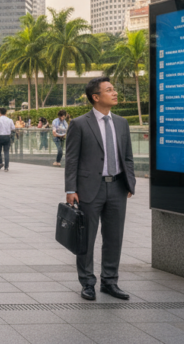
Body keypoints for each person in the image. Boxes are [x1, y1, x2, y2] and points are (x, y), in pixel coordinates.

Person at [65, 77, 136, 302]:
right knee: (86, 238)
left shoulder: (122, 123)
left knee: (114, 237)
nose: (114, 93)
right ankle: (87, 283)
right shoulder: (79, 124)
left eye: (113, 89)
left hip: (117, 187)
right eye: (109, 90)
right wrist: (70, 189)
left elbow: (128, 157)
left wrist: (129, 182)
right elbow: (72, 159)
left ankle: (110, 282)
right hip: (88, 189)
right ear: (96, 97)